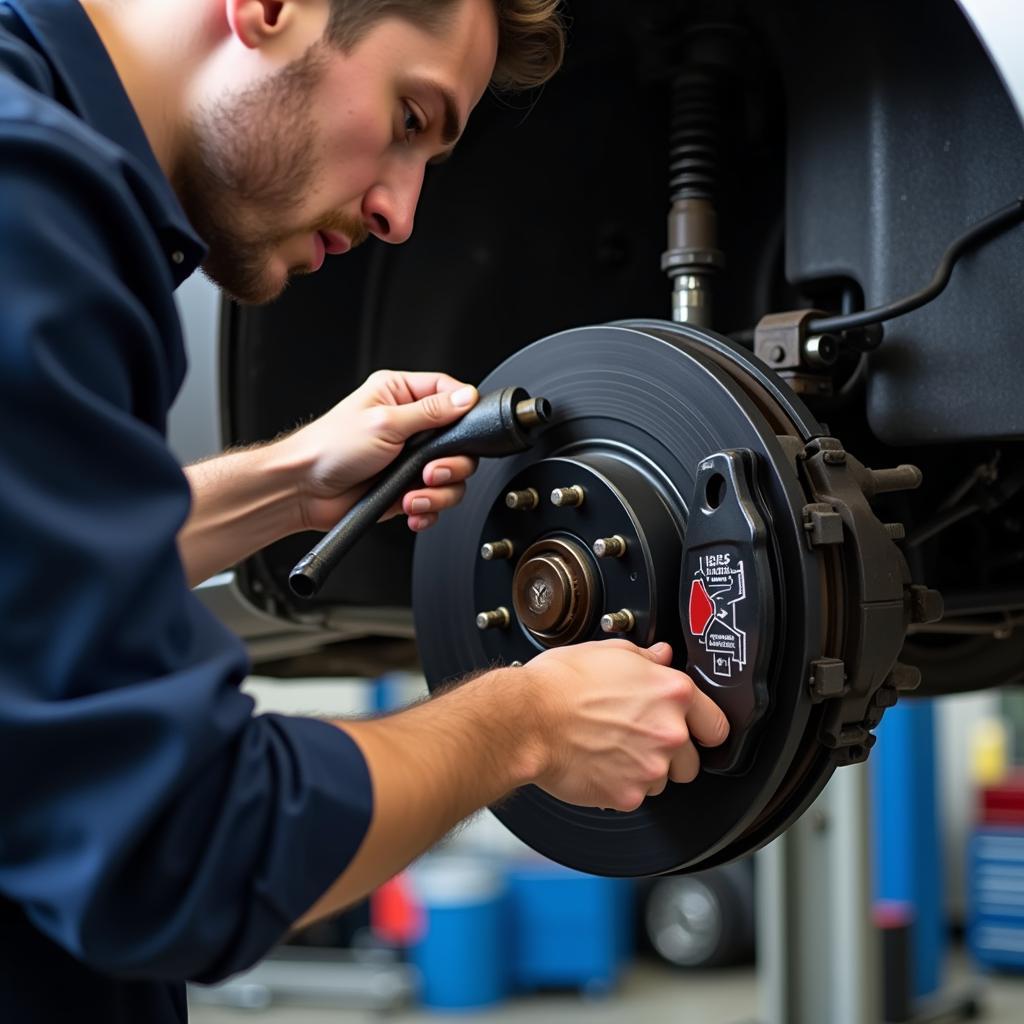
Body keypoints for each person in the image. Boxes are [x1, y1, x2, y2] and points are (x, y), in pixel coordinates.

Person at [0, 0, 730, 1019]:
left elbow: (26, 595)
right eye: (407, 116)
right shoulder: (32, 212)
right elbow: (182, 846)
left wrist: (289, 484)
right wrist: (526, 720)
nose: (401, 214)